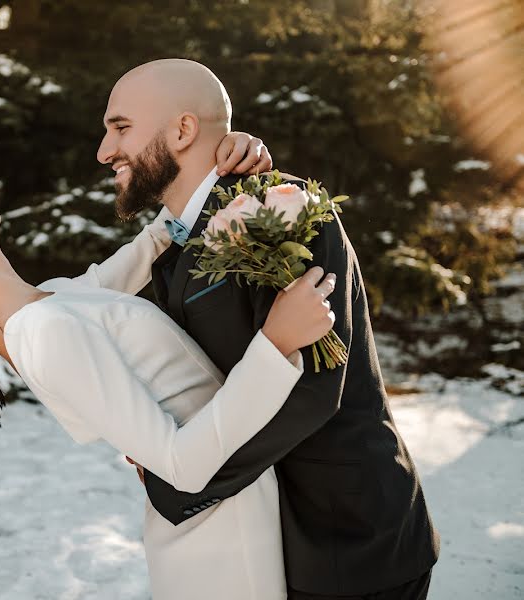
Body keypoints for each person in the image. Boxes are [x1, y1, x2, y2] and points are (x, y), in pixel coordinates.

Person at [0, 174, 339, 598]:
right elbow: (182, 465)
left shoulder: (44, 303)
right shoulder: (41, 330)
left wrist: (214, 176)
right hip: (222, 540)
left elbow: (141, 252)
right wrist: (275, 344)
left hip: (231, 510)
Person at [96, 58, 439, 600]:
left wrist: (180, 476)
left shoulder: (284, 208)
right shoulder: (168, 249)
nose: (105, 151)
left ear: (183, 129)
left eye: (120, 128)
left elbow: (313, 387)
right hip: (260, 547)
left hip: (346, 542)